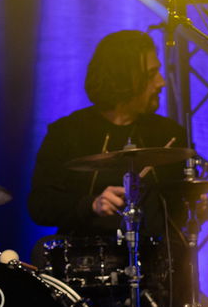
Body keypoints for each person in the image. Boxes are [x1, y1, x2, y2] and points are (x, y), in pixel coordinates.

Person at [28, 29, 189, 237]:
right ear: (122, 79)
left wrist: (195, 208)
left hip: (152, 261)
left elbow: (178, 211)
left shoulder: (169, 134)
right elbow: (40, 205)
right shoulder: (68, 132)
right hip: (84, 260)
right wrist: (91, 205)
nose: (161, 82)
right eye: (150, 75)